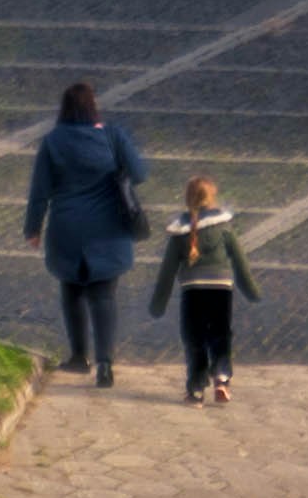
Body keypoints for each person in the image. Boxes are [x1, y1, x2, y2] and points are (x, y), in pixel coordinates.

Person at [23, 76, 147, 392]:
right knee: (104, 296)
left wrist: (33, 228)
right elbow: (139, 173)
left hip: (67, 227)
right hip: (108, 229)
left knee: (72, 291)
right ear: (93, 108)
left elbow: (39, 191)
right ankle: (105, 363)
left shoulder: (53, 141)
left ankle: (79, 356)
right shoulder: (113, 136)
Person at [163, 175, 261, 402]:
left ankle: (196, 387)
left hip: (193, 289)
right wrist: (251, 290)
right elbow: (240, 261)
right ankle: (222, 376)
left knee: (194, 337)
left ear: (187, 198)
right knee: (220, 333)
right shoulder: (224, 228)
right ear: (212, 197)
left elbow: (168, 269)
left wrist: (159, 301)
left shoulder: (180, 231)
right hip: (221, 287)